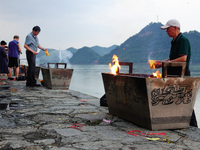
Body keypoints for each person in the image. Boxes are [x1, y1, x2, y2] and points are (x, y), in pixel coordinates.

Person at [155, 19, 197, 127]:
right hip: (173, 73)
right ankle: (175, 122)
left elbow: (183, 58)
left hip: (182, 74)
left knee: (186, 100)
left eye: (167, 29)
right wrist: (162, 63)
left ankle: (193, 125)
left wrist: (167, 62)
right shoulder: (174, 41)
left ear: (175, 28)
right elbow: (173, 58)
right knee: (175, 99)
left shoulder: (183, 40)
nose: (166, 31)